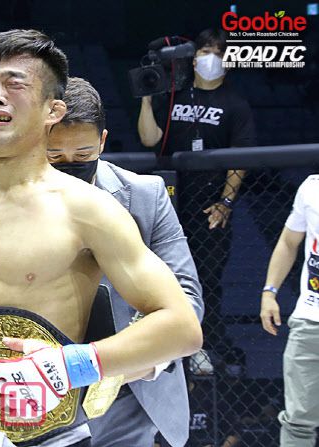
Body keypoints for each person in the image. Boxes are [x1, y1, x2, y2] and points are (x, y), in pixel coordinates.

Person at [0, 29, 202, 447]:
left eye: (14, 84)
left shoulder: (90, 210)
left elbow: (182, 326)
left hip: (60, 435)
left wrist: (73, 366)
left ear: (53, 109)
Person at [46, 76, 203, 447]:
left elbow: (187, 297)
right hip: (40, 388)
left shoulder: (145, 196)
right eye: (55, 157)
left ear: (102, 141)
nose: (71, 165)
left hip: (128, 388)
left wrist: (143, 359)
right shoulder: (7, 201)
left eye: (83, 155)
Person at [137, 28, 256, 353]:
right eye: (205, 52)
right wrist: (147, 96)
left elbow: (240, 158)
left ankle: (203, 346)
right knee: (161, 277)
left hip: (209, 207)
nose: (211, 59)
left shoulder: (235, 104)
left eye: (218, 53)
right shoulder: (173, 97)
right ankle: (163, 344)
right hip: (170, 204)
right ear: (193, 58)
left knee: (207, 279)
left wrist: (225, 202)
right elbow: (149, 138)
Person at [260, 174, 319, 447]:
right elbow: (288, 242)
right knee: (297, 422)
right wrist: (269, 292)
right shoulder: (312, 188)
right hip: (310, 320)